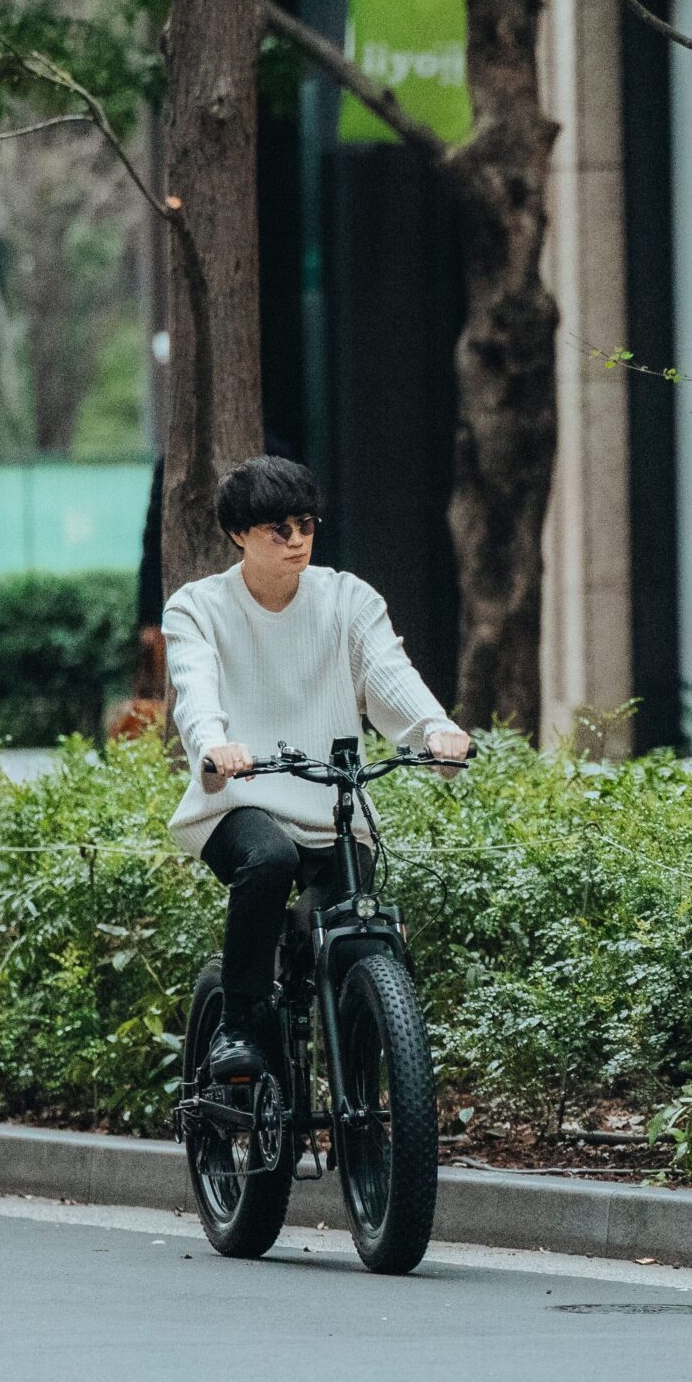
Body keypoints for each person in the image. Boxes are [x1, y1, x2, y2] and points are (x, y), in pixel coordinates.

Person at [164, 455, 469, 1083]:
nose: (297, 540)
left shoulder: (347, 599)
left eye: (306, 524)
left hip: (332, 809)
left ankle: (352, 1069)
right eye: (279, 529)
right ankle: (238, 1027)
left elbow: (389, 673)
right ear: (238, 534)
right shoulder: (197, 608)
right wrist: (214, 745)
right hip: (237, 803)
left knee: (345, 926)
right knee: (269, 861)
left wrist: (435, 728)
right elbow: (194, 688)